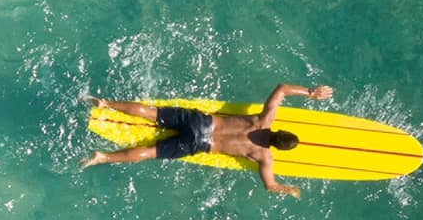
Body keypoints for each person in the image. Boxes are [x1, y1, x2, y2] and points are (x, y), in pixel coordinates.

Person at [79, 83, 334, 199]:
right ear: (278, 148)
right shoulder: (264, 158)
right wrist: (288, 189)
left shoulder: (264, 120)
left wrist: (311, 93)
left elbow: (281, 90)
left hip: (201, 123)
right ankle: (103, 157)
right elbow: (269, 185)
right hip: (199, 145)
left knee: (151, 113)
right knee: (148, 152)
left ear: (281, 130)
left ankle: (106, 103)